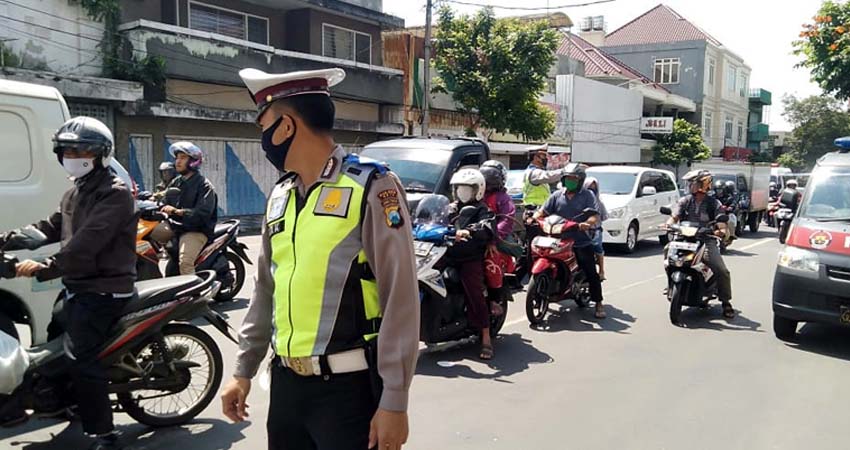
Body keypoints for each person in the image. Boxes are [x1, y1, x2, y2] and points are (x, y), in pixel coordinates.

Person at [220, 67, 420, 450]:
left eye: (264, 124)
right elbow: (266, 289)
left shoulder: (371, 186)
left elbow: (401, 297)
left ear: (287, 126)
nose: (262, 138)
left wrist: (395, 400)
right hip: (286, 387)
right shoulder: (280, 196)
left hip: (348, 393)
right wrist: (243, 371)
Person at [9, 117, 137, 449]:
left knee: (81, 357)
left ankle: (104, 432)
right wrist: (5, 240)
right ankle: (64, 400)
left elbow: (85, 246)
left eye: (81, 150)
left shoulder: (115, 194)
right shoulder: (74, 192)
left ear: (101, 154)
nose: (72, 155)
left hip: (104, 289)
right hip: (77, 287)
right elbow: (46, 229)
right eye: (67, 149)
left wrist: (42, 268)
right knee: (53, 345)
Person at [533, 164, 606, 319]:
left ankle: (598, 303)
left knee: (590, 271)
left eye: (573, 179)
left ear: (580, 181)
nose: (570, 181)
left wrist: (589, 222)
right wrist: (534, 217)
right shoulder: (557, 195)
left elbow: (594, 215)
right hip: (556, 238)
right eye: (567, 178)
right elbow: (543, 211)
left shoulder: (587, 195)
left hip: (579, 239)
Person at [665, 170, 735, 319]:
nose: (689, 186)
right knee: (667, 252)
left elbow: (721, 223)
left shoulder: (714, 203)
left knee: (721, 270)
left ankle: (726, 302)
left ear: (703, 185)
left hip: (705, 240)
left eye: (692, 183)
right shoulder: (685, 201)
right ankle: (670, 284)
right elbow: (674, 217)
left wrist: (721, 231)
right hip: (684, 238)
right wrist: (668, 224)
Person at [446, 168, 496, 359]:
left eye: (467, 188)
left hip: (469, 257)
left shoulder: (483, 210)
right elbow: (437, 220)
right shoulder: (451, 207)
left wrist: (472, 230)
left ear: (478, 190)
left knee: (474, 291)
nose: (462, 192)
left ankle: (485, 337)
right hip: (447, 253)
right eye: (459, 188)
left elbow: (487, 226)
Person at [160, 142, 218, 275]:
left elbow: (203, 213)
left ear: (193, 162)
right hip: (176, 227)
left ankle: (195, 294)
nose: (177, 161)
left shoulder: (204, 185)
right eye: (177, 158)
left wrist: (177, 211)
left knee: (185, 262)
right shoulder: (176, 182)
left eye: (182, 158)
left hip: (195, 230)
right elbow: (165, 200)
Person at [479, 161, 516, 315]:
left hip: (494, 240)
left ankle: (495, 300)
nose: (488, 182)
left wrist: (492, 238)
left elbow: (507, 219)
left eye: (491, 178)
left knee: (490, 263)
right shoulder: (476, 194)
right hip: (474, 237)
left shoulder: (503, 198)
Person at [583, 176, 608, 281]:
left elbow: (604, 216)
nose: (592, 191)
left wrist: (594, 221)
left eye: (594, 188)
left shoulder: (598, 202)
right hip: (580, 229)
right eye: (589, 188)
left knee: (598, 248)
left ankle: (601, 270)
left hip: (594, 230)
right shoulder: (580, 200)